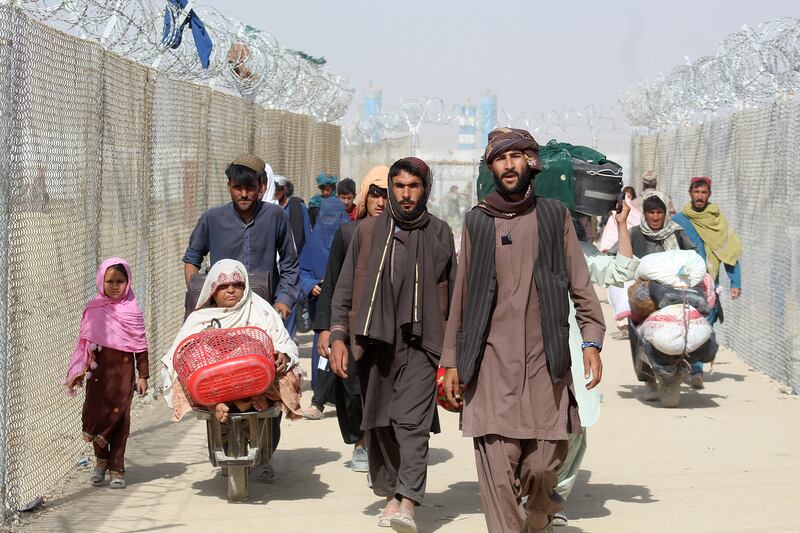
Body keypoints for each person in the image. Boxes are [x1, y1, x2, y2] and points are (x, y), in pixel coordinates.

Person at [440, 127, 605, 533]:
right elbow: (461, 297)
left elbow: (580, 284)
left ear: (531, 163)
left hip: (545, 362)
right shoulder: (477, 221)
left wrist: (591, 340)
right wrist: (451, 362)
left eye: (516, 157)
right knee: (498, 476)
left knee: (543, 464)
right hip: (491, 364)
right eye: (500, 158)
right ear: (491, 167)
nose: (508, 165)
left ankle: (540, 507)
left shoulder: (554, 216)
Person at [329, 157, 456, 532]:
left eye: (413, 186)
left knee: (410, 423)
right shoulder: (366, 233)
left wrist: (453, 354)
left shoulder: (440, 233)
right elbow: (346, 290)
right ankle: (391, 493)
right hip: (375, 341)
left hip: (422, 343)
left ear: (425, 189)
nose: (405, 194)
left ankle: (409, 501)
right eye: (398, 186)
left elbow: (457, 294)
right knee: (380, 421)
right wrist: (337, 334)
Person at [161, 260, 303, 477]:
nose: (231, 289)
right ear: (212, 290)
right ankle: (217, 408)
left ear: (245, 288)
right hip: (216, 384)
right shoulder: (200, 318)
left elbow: (283, 341)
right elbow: (180, 353)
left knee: (285, 377)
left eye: (237, 285)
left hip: (256, 378)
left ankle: (263, 448)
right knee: (185, 381)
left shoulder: (260, 310)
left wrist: (282, 354)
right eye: (223, 285)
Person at [553, 201, 640, 527]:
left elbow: (623, 270)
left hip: (573, 356)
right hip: (523, 355)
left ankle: (553, 498)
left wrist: (620, 225)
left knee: (575, 430)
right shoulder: (517, 247)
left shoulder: (582, 255)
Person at [305, 166, 389, 476]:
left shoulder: (402, 236)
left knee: (384, 388)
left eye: (386, 194)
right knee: (352, 389)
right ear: (366, 197)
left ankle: (382, 445)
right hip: (353, 328)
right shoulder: (348, 234)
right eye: (375, 193)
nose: (381, 201)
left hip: (388, 327)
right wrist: (326, 329)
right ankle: (360, 444)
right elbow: (333, 285)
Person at [64, 258, 149, 489]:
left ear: (128, 282)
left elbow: (140, 347)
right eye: (109, 281)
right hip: (98, 377)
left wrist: (143, 376)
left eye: (120, 281)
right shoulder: (94, 309)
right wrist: (80, 371)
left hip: (123, 376)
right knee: (96, 416)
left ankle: (117, 468)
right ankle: (101, 462)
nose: (115, 286)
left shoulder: (132, 310)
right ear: (101, 281)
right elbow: (85, 345)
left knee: (120, 420)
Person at [182, 153, 298, 322]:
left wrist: (283, 300)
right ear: (229, 186)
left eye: (250, 187)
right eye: (237, 187)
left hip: (264, 311)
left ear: (261, 187)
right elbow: (192, 260)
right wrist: (201, 298)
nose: (243, 194)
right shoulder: (212, 218)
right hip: (222, 312)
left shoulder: (275, 216)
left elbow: (290, 264)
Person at [672, 176, 742, 389]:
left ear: (709, 194)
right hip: (685, 280)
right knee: (683, 323)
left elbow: (728, 251)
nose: (700, 196)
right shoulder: (680, 219)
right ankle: (680, 365)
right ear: (690, 193)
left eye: (704, 192)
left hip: (710, 282)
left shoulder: (716, 220)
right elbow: (672, 250)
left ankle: (697, 370)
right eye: (696, 192)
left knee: (706, 325)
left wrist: (735, 281)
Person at [628, 190, 696, 402]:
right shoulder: (635, 234)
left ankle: (678, 369)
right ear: (645, 214)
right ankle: (648, 379)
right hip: (643, 293)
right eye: (651, 213)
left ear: (665, 214)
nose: (655, 217)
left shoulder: (675, 233)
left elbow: (690, 257)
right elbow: (620, 254)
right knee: (638, 332)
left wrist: (683, 284)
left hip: (672, 290)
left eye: (659, 212)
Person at [298, 197, 350, 390]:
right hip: (319, 308)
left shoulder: (350, 237)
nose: (329, 223)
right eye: (325, 217)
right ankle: (320, 391)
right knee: (321, 346)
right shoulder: (312, 242)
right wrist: (311, 285)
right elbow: (302, 271)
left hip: (344, 304)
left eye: (333, 217)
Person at [274, 175, 312, 256]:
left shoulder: (298, 205)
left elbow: (307, 234)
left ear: (284, 190)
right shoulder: (271, 206)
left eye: (277, 191)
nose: (274, 194)